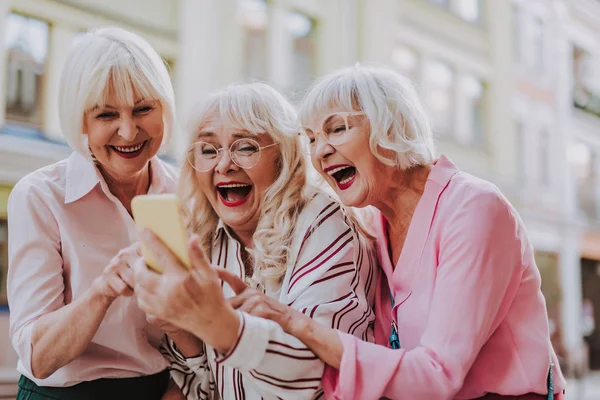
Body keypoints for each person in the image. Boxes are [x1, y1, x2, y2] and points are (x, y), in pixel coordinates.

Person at [219, 65, 568, 400]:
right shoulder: (372, 225)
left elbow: (437, 375)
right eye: (311, 138)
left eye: (337, 129)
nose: (321, 151)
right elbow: (377, 356)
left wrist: (298, 324)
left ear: (392, 126)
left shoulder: (474, 208)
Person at [132, 82, 378, 399]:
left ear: (284, 157)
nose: (223, 165)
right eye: (208, 150)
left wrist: (216, 324)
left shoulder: (322, 223)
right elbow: (207, 388)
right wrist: (180, 329)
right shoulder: (207, 238)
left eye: (245, 147)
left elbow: (312, 375)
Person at [7, 27, 177, 400]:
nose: (129, 130)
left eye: (144, 109)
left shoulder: (187, 194)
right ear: (80, 120)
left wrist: (181, 386)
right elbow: (39, 357)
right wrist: (102, 290)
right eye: (106, 114)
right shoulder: (40, 196)